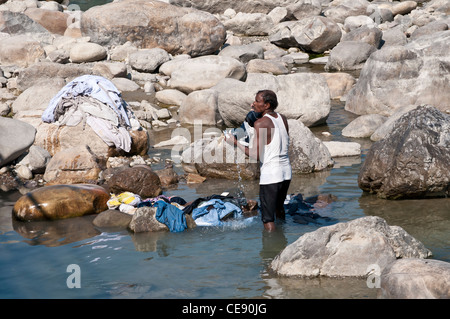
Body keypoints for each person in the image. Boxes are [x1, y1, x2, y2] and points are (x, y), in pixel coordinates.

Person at [226, 90, 292, 231]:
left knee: (267, 218)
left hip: (271, 175)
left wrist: (236, 142)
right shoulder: (282, 118)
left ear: (267, 105)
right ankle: (283, 238)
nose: (253, 104)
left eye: (257, 101)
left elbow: (255, 154)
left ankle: (271, 249)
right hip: (286, 172)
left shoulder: (261, 123)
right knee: (279, 208)